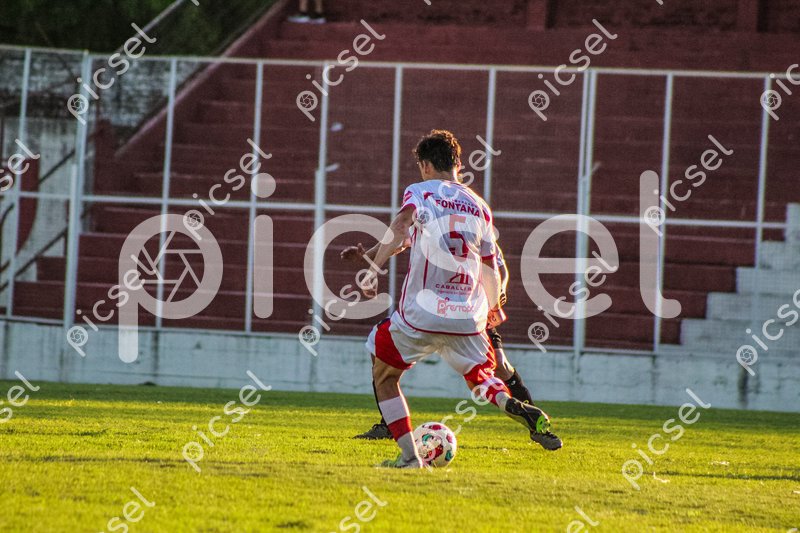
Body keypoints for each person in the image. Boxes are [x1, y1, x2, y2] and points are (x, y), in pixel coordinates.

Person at [352, 130, 561, 468]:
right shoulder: (480, 207)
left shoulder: (420, 192)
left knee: (384, 370)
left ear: (425, 165)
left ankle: (410, 457)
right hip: (467, 315)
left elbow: (402, 226)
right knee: (483, 376)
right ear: (458, 164)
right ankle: (508, 402)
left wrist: (372, 268)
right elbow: (492, 266)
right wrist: (491, 311)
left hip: (422, 312)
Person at [342, 244, 540, 440]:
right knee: (490, 370)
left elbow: (499, 268)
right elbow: (400, 240)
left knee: (500, 366)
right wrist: (367, 256)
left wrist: (500, 290)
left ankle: (536, 425)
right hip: (451, 313)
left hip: (460, 311)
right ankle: (388, 424)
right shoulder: (442, 228)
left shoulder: (474, 232)